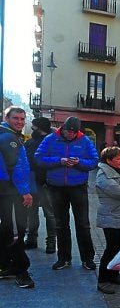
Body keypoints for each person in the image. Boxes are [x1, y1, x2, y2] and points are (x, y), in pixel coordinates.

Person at [35, 116, 99, 271]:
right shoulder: (50, 139)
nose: (70, 134)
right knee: (61, 224)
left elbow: (94, 161)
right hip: (56, 187)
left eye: (74, 132)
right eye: (68, 131)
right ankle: (64, 258)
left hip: (78, 187)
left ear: (78, 132)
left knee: (83, 224)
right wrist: (59, 161)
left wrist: (79, 163)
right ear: (62, 128)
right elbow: (38, 158)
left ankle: (88, 259)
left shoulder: (84, 141)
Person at [0, 107, 34, 288]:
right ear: (7, 118)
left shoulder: (9, 135)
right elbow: (14, 166)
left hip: (7, 191)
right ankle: (21, 270)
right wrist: (25, 191)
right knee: (15, 233)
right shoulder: (9, 138)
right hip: (11, 192)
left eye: (22, 119)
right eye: (16, 118)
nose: (20, 122)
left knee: (7, 229)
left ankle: (6, 265)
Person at [95, 146, 120, 294]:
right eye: (118, 159)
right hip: (111, 216)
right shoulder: (102, 174)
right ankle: (103, 280)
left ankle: (114, 274)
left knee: (118, 248)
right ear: (108, 160)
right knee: (111, 248)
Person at [24, 116, 57, 253]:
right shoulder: (30, 142)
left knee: (49, 214)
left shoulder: (52, 142)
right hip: (33, 182)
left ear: (40, 127)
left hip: (47, 183)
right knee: (32, 212)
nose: (32, 128)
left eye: (34, 126)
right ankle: (32, 239)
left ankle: (51, 242)